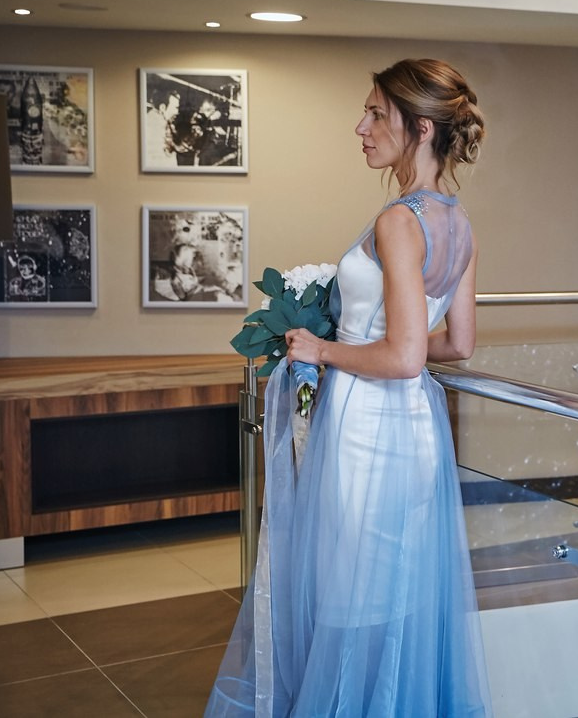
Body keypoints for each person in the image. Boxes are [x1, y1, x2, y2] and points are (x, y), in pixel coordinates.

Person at [205, 59, 491, 717]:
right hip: (416, 429)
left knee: (352, 593)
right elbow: (457, 343)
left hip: (368, 427)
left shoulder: (399, 221)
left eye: (375, 114)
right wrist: (370, 341)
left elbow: (404, 355)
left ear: (421, 128)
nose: (361, 127)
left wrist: (323, 348)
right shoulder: (459, 224)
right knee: (394, 590)